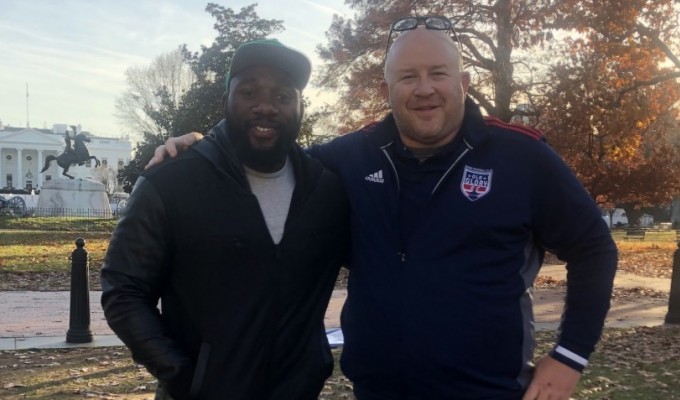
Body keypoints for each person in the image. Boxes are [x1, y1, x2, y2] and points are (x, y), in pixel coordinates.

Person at [149, 16, 618, 400]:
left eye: (438, 73)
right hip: (376, 391)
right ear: (388, 88)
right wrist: (204, 145)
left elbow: (594, 248)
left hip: (489, 390)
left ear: (464, 81)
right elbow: (268, 150)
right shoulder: (349, 157)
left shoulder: (523, 157)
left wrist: (570, 356)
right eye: (408, 77)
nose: (424, 89)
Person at [101, 39, 350, 400]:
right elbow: (123, 291)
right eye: (249, 92)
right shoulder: (171, 181)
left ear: (300, 107)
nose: (265, 106)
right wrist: (183, 374)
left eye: (282, 96)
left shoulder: (327, 191)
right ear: (226, 100)